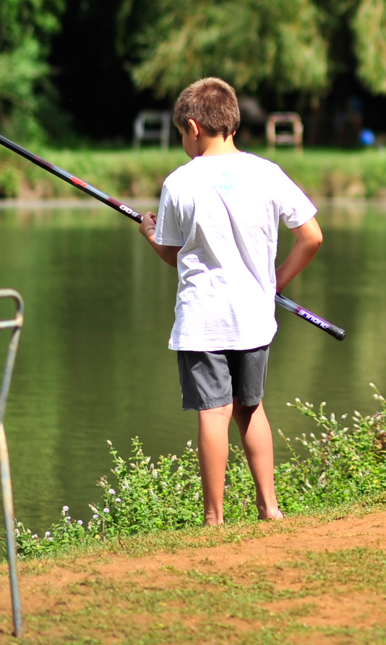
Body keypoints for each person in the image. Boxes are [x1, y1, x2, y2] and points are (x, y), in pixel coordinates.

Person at [140, 76, 324, 523]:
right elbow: (311, 237)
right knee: (250, 407)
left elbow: (172, 253)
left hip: (203, 319)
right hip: (254, 318)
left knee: (213, 411)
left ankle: (214, 518)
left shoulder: (179, 182)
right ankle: (270, 507)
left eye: (182, 134)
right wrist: (276, 282)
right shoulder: (267, 173)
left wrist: (148, 232)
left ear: (192, 126)